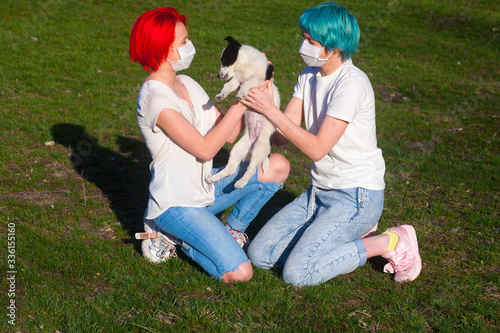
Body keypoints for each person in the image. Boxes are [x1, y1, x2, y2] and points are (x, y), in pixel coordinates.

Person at [242, 1, 421, 286]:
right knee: (260, 254)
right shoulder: (309, 76)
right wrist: (268, 90)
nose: (303, 45)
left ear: (334, 46)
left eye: (311, 41)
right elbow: (281, 138)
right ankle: (348, 232)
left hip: (357, 196)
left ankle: (390, 240)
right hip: (319, 193)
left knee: (297, 274)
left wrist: (271, 111)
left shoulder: (352, 84)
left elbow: (316, 148)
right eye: (304, 37)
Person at [129, 7, 290, 283]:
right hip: (175, 205)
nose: (190, 46)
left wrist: (261, 88)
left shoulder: (187, 83)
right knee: (241, 272)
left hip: (204, 189)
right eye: (183, 42)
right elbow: (205, 149)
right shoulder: (155, 99)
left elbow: (229, 134)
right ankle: (170, 234)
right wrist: (243, 99)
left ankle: (231, 231)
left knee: (277, 166)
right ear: (162, 50)